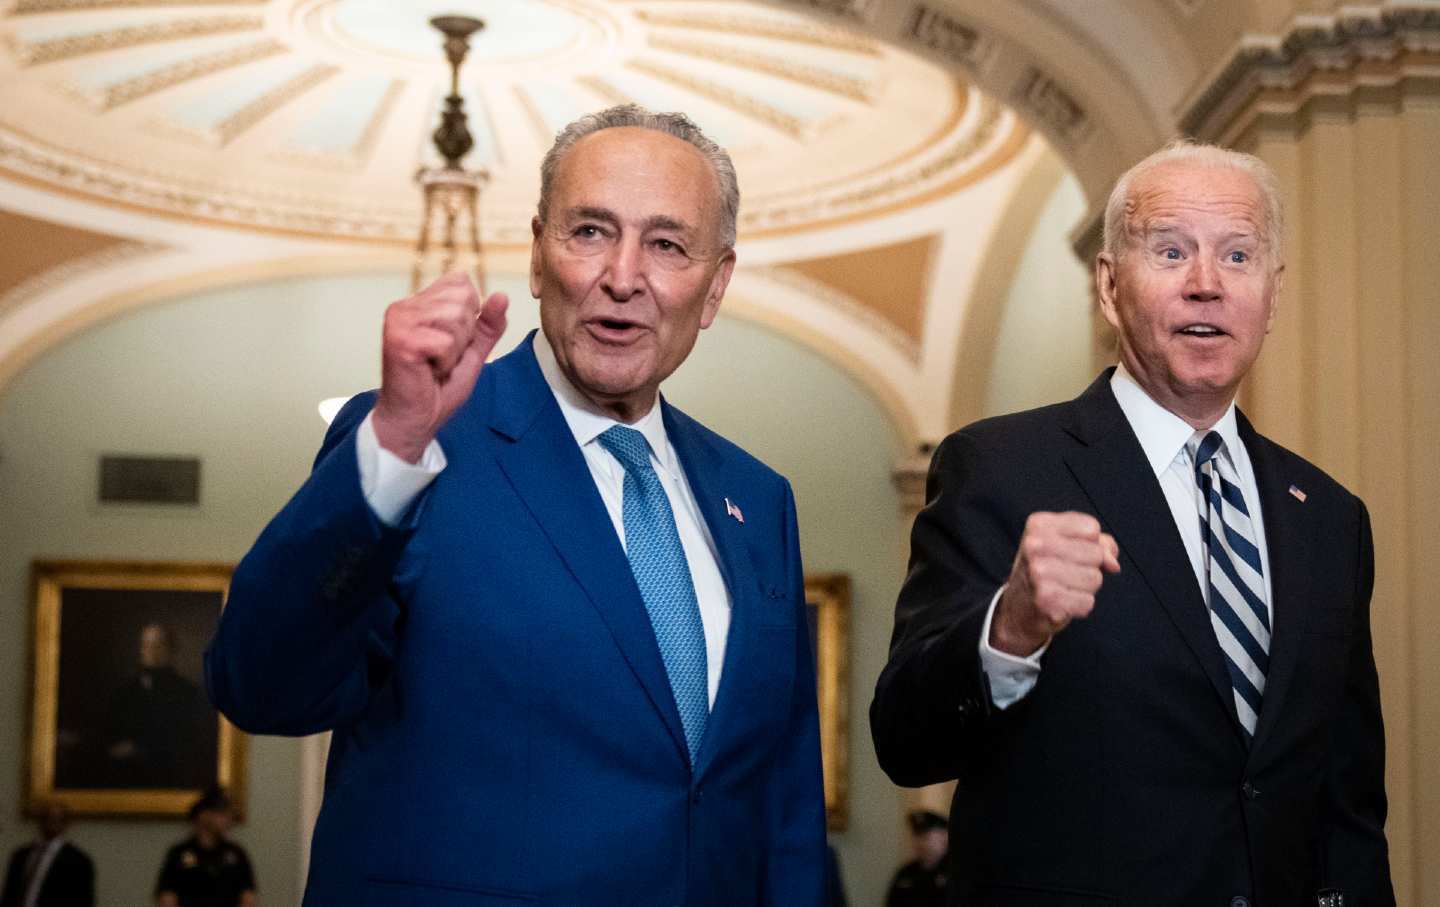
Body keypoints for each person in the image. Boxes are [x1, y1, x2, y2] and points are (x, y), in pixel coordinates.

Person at [206, 104, 826, 904]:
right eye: (591, 231)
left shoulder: (758, 498)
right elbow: (261, 685)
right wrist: (392, 449)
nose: (624, 276)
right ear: (538, 257)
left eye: (667, 244)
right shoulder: (416, 439)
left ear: (714, 286)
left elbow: (784, 806)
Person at [870, 141, 1393, 904]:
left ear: (1273, 297)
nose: (1206, 285)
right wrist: (1008, 629)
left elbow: (1348, 803)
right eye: (1171, 250)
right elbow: (905, 740)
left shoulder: (1330, 517)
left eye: (1238, 255)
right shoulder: (1001, 467)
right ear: (1111, 288)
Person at [102, 622, 216, 789]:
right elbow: (110, 735)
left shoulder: (188, 693)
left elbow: (190, 740)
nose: (152, 651)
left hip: (171, 777)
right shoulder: (124, 692)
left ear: (171, 650)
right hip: (126, 778)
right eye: (147, 645)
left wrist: (142, 748)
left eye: (158, 645)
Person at [155, 788, 255, 907]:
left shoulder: (236, 854)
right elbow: (167, 897)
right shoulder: (179, 854)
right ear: (204, 815)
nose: (228, 820)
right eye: (222, 814)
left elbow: (248, 897)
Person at [0, 803, 94, 907]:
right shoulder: (20, 855)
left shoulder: (79, 861)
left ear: (66, 822)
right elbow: (9, 893)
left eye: (57, 819)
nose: (51, 822)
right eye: (46, 817)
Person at [884, 810, 949, 907]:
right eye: (916, 834)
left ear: (944, 835)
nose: (919, 841)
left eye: (926, 835)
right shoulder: (906, 873)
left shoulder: (957, 871)